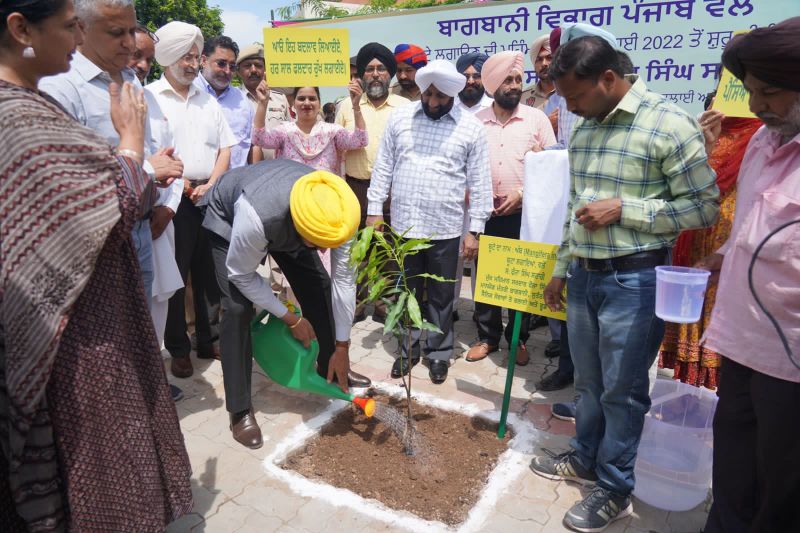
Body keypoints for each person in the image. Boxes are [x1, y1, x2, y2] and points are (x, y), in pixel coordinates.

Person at [0, 0, 192, 529]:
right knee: (96, 449)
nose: (131, 43)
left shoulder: (58, 93)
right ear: (22, 29)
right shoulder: (25, 110)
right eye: (70, 27)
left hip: (100, 287)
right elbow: (113, 195)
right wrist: (131, 147)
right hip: (70, 320)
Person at [531, 36, 719, 532]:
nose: (569, 108)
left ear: (609, 79)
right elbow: (576, 207)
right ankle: (586, 456)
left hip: (634, 280)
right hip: (584, 277)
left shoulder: (668, 123)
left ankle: (614, 487)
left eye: (575, 97)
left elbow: (705, 206)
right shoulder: (586, 126)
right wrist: (559, 268)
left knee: (623, 391)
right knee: (590, 384)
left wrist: (625, 209)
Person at [700, 18, 800, 532]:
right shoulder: (765, 141)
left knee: (783, 484)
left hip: (791, 362)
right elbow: (752, 228)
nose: (758, 105)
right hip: (740, 340)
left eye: (772, 92)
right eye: (752, 91)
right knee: (734, 461)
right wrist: (715, 259)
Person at [202, 161, 363, 448]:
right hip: (230, 217)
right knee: (237, 310)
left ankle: (331, 364)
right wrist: (291, 319)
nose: (325, 250)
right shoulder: (259, 216)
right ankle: (239, 410)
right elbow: (242, 275)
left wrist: (342, 346)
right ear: (300, 227)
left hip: (288, 216)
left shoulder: (340, 211)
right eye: (316, 244)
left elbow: (344, 283)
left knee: (320, 285)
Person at [38, 0, 183, 306]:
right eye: (117, 32)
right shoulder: (63, 87)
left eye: (132, 31)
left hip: (141, 228)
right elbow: (65, 182)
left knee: (139, 336)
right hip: (96, 240)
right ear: (81, 29)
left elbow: (147, 150)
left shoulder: (131, 81)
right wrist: (147, 170)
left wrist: (158, 174)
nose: (130, 43)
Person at [367, 59, 492, 384]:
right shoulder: (401, 118)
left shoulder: (471, 127)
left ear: (452, 95)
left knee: (440, 296)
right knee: (407, 292)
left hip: (446, 229)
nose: (433, 102)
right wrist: (374, 209)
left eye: (440, 97)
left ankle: (438, 354)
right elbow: (383, 166)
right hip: (405, 226)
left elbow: (480, 182)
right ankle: (407, 351)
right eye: (429, 95)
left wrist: (475, 230)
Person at [148, 21, 236, 378]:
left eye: (195, 57)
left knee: (209, 274)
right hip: (172, 199)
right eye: (185, 56)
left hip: (209, 197)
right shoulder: (149, 96)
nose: (191, 63)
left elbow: (226, 147)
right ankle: (178, 348)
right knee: (175, 276)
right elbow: (151, 152)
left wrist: (212, 183)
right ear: (167, 58)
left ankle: (208, 339)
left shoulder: (207, 101)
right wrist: (180, 183)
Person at [659, 102, 761, 389]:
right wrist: (703, 145)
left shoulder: (763, 137)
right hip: (696, 238)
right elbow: (683, 187)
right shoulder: (701, 131)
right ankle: (688, 391)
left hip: (734, 240)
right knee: (695, 298)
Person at [466, 51, 556, 366]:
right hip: (485, 214)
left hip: (524, 214)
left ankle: (518, 338)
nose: (514, 85)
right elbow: (464, 167)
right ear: (492, 85)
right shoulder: (474, 123)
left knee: (521, 281)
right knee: (486, 281)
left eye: (518, 79)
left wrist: (522, 192)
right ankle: (487, 337)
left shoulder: (537, 119)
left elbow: (550, 168)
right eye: (507, 80)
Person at [128, 19, 186, 402]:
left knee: (159, 299)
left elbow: (171, 159)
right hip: (123, 220)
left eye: (148, 58)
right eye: (136, 55)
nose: (142, 64)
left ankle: (151, 381)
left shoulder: (145, 97)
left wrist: (166, 209)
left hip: (158, 218)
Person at [336, 42, 409, 322]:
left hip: (393, 192)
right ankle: (355, 303)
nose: (375, 74)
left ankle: (384, 304)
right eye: (369, 69)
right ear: (360, 76)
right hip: (355, 188)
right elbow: (337, 146)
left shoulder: (405, 107)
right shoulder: (346, 106)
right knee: (356, 251)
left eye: (381, 69)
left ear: (389, 74)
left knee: (389, 249)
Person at [197, 35, 252, 170]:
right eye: (221, 63)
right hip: (195, 186)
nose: (227, 71)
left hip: (235, 184)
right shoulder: (188, 93)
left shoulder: (242, 100)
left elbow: (252, 145)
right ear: (203, 61)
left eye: (232, 66)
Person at [236, 43, 291, 161]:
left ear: (265, 70)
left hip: (279, 169)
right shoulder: (234, 100)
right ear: (238, 71)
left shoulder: (280, 98)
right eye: (247, 66)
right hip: (246, 171)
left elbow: (289, 135)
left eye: (258, 65)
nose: (253, 70)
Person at [521, 34, 556, 112]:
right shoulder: (523, 97)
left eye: (549, 58)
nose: (544, 63)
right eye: (539, 59)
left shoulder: (570, 94)